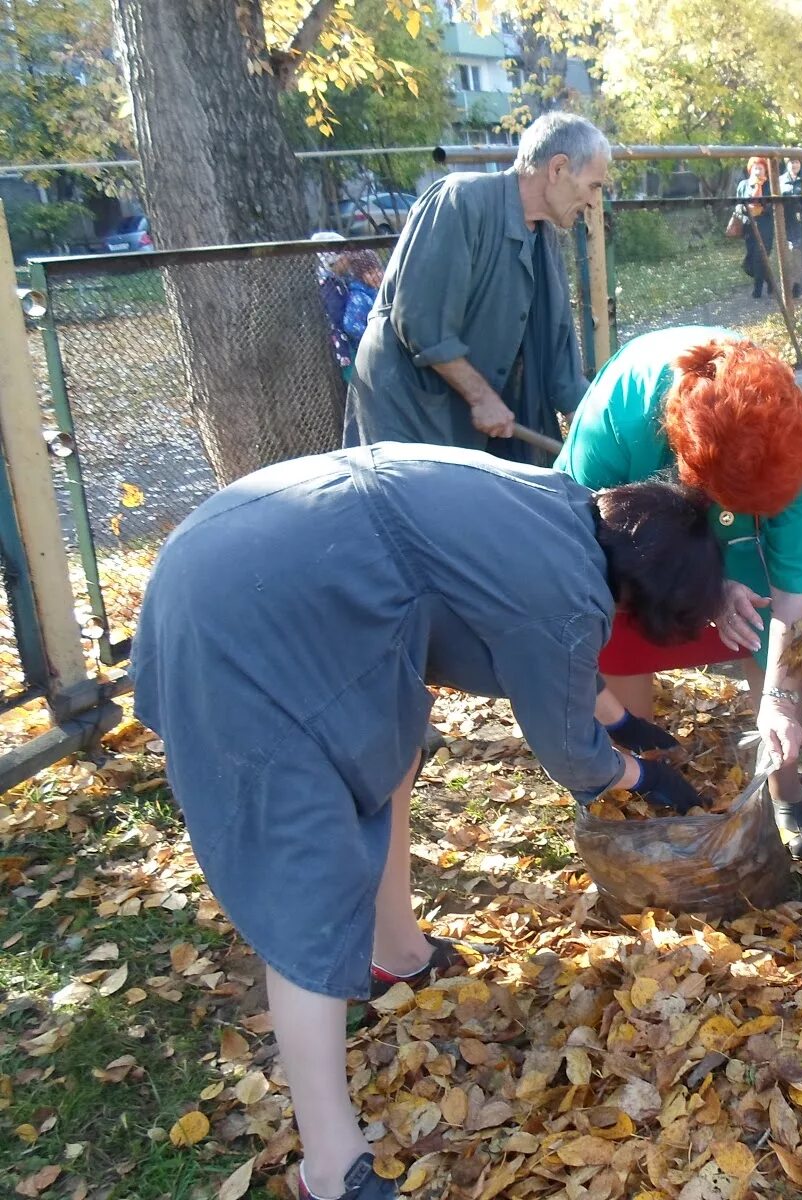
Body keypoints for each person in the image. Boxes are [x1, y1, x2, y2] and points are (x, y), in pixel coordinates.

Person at [131, 444, 722, 1200]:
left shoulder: (561, 508)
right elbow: (572, 753)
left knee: (395, 754)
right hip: (247, 621)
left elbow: (544, 643)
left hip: (257, 554)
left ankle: (399, 958)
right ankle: (332, 1170)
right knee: (309, 879)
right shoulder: (571, 592)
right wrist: (640, 773)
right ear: (641, 588)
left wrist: (618, 719)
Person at [554, 326, 802, 858]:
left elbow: (793, 593)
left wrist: (781, 702)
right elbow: (584, 544)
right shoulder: (621, 417)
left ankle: (784, 787)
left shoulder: (795, 443)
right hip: (633, 540)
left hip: (730, 533)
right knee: (619, 632)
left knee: (765, 625)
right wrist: (707, 588)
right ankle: (643, 775)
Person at [342, 112, 610, 463]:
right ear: (558, 168)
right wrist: (482, 397)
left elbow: (560, 364)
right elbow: (420, 321)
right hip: (407, 415)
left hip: (469, 424)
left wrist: (600, 440)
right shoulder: (459, 200)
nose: (593, 202)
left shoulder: (545, 240)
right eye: (593, 185)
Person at [310, 232, 355, 381]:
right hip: (343, 343)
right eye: (344, 256)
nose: (349, 259)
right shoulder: (329, 285)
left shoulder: (341, 280)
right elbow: (336, 314)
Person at [734, 156, 776, 300]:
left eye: (761, 168)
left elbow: (773, 207)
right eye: (755, 168)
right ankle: (771, 283)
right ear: (750, 169)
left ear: (765, 170)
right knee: (750, 262)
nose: (758, 171)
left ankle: (757, 290)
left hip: (765, 227)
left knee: (760, 258)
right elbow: (738, 205)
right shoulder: (743, 185)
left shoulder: (769, 186)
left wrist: (761, 210)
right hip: (749, 227)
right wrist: (746, 209)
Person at [338, 250, 383, 354]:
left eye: (378, 270)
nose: (377, 275)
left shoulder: (376, 292)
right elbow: (351, 326)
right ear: (360, 277)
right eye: (370, 273)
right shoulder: (359, 297)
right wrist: (376, 338)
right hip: (368, 351)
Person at [778, 157, 802, 300]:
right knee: (788, 255)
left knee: (800, 255)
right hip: (786, 223)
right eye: (791, 162)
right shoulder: (780, 180)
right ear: (787, 164)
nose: (794, 165)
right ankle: (789, 286)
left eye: (797, 162)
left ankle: (799, 285)